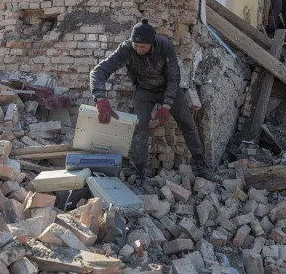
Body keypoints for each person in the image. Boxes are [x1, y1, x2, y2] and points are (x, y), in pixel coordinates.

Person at [89, 19, 220, 189]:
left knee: (186, 120)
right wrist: (100, 99)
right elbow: (98, 71)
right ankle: (140, 172)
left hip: (167, 87)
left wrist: (166, 107)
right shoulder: (127, 49)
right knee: (140, 125)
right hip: (144, 90)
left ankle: (202, 165)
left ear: (151, 43)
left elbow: (174, 78)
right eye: (136, 45)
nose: (138, 49)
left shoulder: (164, 46)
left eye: (142, 46)